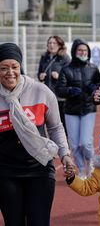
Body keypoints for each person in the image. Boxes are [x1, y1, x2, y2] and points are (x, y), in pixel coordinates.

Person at [0, 42, 74, 226]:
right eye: (3, 68)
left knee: (39, 222)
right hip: (5, 170)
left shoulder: (40, 91)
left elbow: (56, 127)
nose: (10, 72)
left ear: (20, 66)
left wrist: (64, 154)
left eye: (14, 67)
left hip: (39, 167)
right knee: (14, 222)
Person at [56, 38, 100, 179]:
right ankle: (81, 169)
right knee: (75, 145)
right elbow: (59, 89)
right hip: (71, 110)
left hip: (88, 108)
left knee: (86, 142)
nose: (83, 52)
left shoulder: (93, 68)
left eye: (85, 50)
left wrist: (94, 88)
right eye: (80, 50)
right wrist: (70, 90)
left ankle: (91, 164)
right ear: (74, 51)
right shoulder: (66, 69)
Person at [37, 35, 70, 134]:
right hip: (46, 95)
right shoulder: (44, 57)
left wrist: (59, 76)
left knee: (60, 121)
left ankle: (64, 144)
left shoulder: (65, 58)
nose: (51, 45)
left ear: (60, 45)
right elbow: (39, 73)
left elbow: (70, 76)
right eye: (49, 43)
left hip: (59, 96)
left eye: (54, 43)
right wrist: (40, 76)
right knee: (45, 121)